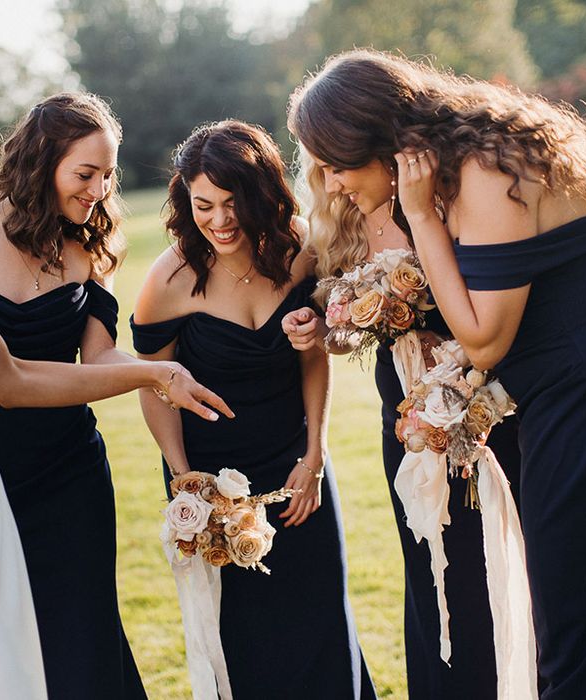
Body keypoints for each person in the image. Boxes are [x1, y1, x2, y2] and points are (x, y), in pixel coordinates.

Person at [286, 48, 586, 700]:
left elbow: (486, 339)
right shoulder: (465, 159)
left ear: (383, 145)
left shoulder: (490, 167)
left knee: (585, 626)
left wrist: (424, 217)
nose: (330, 183)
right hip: (562, 395)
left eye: (337, 164)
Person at [0, 24, 231, 700]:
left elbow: (96, 356)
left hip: (67, 468)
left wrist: (151, 370)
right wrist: (152, 373)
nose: (100, 189)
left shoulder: (89, 251)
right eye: (87, 172)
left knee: (80, 630)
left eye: (108, 174)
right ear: (41, 161)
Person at [131, 120, 376, 699]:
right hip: (216, 487)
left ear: (260, 190)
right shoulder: (168, 279)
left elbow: (314, 360)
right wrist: (183, 478)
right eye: (203, 205)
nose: (219, 220)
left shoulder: (298, 250)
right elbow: (152, 384)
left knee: (321, 623)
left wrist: (315, 452)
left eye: (232, 201)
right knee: (244, 641)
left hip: (298, 472)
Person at [282, 126, 522, 700]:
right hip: (406, 413)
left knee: (499, 552)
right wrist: (318, 329)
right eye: (320, 168)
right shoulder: (340, 220)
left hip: (485, 401)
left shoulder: (447, 199)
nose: (331, 180)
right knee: (433, 565)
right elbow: (343, 333)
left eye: (336, 164)